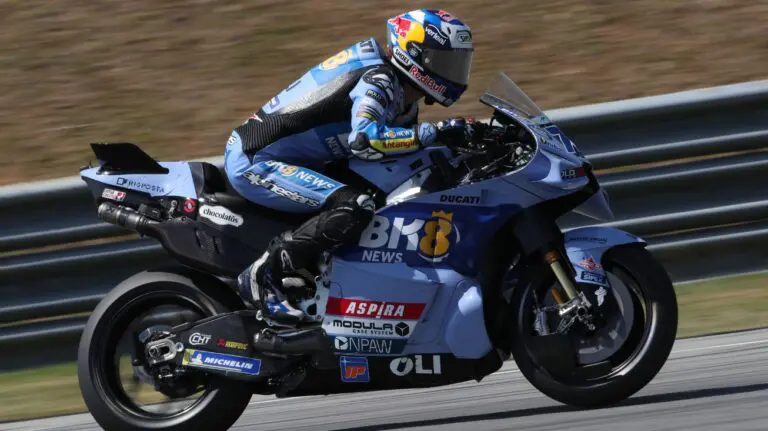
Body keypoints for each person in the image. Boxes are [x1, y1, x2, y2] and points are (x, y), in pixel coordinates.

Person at [224, 9, 478, 330]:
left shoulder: (404, 96)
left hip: (303, 160)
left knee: (381, 194)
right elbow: (365, 140)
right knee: (354, 206)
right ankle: (264, 275)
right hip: (257, 160)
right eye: (445, 62)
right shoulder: (379, 80)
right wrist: (436, 132)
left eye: (458, 63)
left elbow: (394, 151)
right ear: (414, 55)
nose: (453, 73)